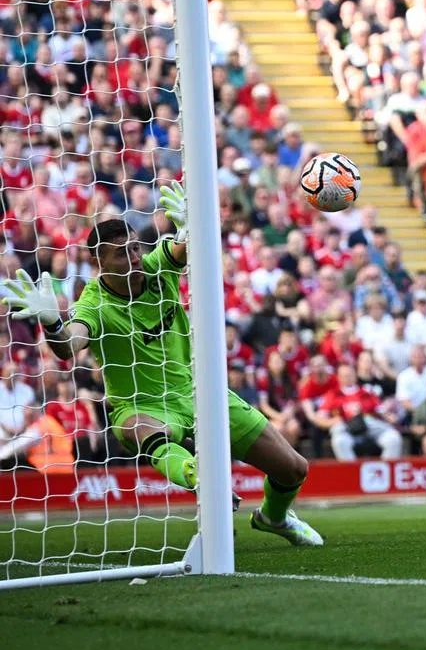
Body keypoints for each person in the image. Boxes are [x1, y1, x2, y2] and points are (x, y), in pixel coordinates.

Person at [0, 184, 323, 546]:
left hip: (199, 391)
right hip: (141, 405)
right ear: (98, 263)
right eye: (121, 255)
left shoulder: (156, 267)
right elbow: (68, 345)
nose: (134, 258)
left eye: (135, 248)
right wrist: (51, 323)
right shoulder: (95, 304)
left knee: (294, 469)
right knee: (142, 428)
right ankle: (201, 477)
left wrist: (193, 228)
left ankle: (274, 518)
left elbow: (186, 250)